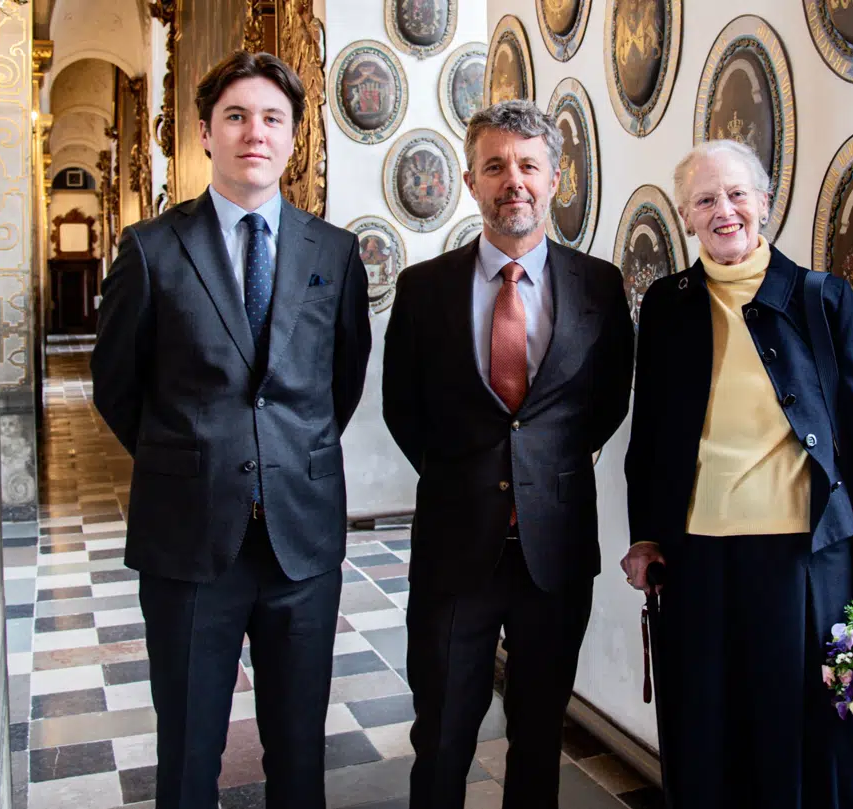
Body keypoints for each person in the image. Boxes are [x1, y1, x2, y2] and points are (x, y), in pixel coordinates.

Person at [91, 50, 370, 809]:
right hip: (188, 542)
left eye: (272, 119)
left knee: (300, 753)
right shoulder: (151, 249)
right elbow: (116, 385)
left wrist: (280, 459)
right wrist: (191, 460)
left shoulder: (335, 253)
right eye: (237, 116)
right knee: (187, 755)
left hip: (300, 543)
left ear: (292, 139)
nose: (255, 132)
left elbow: (339, 383)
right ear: (206, 134)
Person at [619, 139, 853, 809]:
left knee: (803, 732)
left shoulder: (819, 297)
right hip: (694, 556)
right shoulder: (666, 304)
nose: (725, 211)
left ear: (765, 204)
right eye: (706, 199)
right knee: (705, 728)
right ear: (687, 216)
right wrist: (646, 534)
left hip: (802, 558)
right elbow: (650, 434)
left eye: (738, 194)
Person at [382, 100, 634, 809]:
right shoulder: (423, 289)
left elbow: (607, 401)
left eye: (528, 165)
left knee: (538, 734)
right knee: (441, 733)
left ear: (556, 178)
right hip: (454, 552)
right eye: (495, 166)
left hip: (553, 554)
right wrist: (466, 476)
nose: (512, 180)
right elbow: (403, 407)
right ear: (470, 180)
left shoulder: (599, 287)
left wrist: (540, 474)